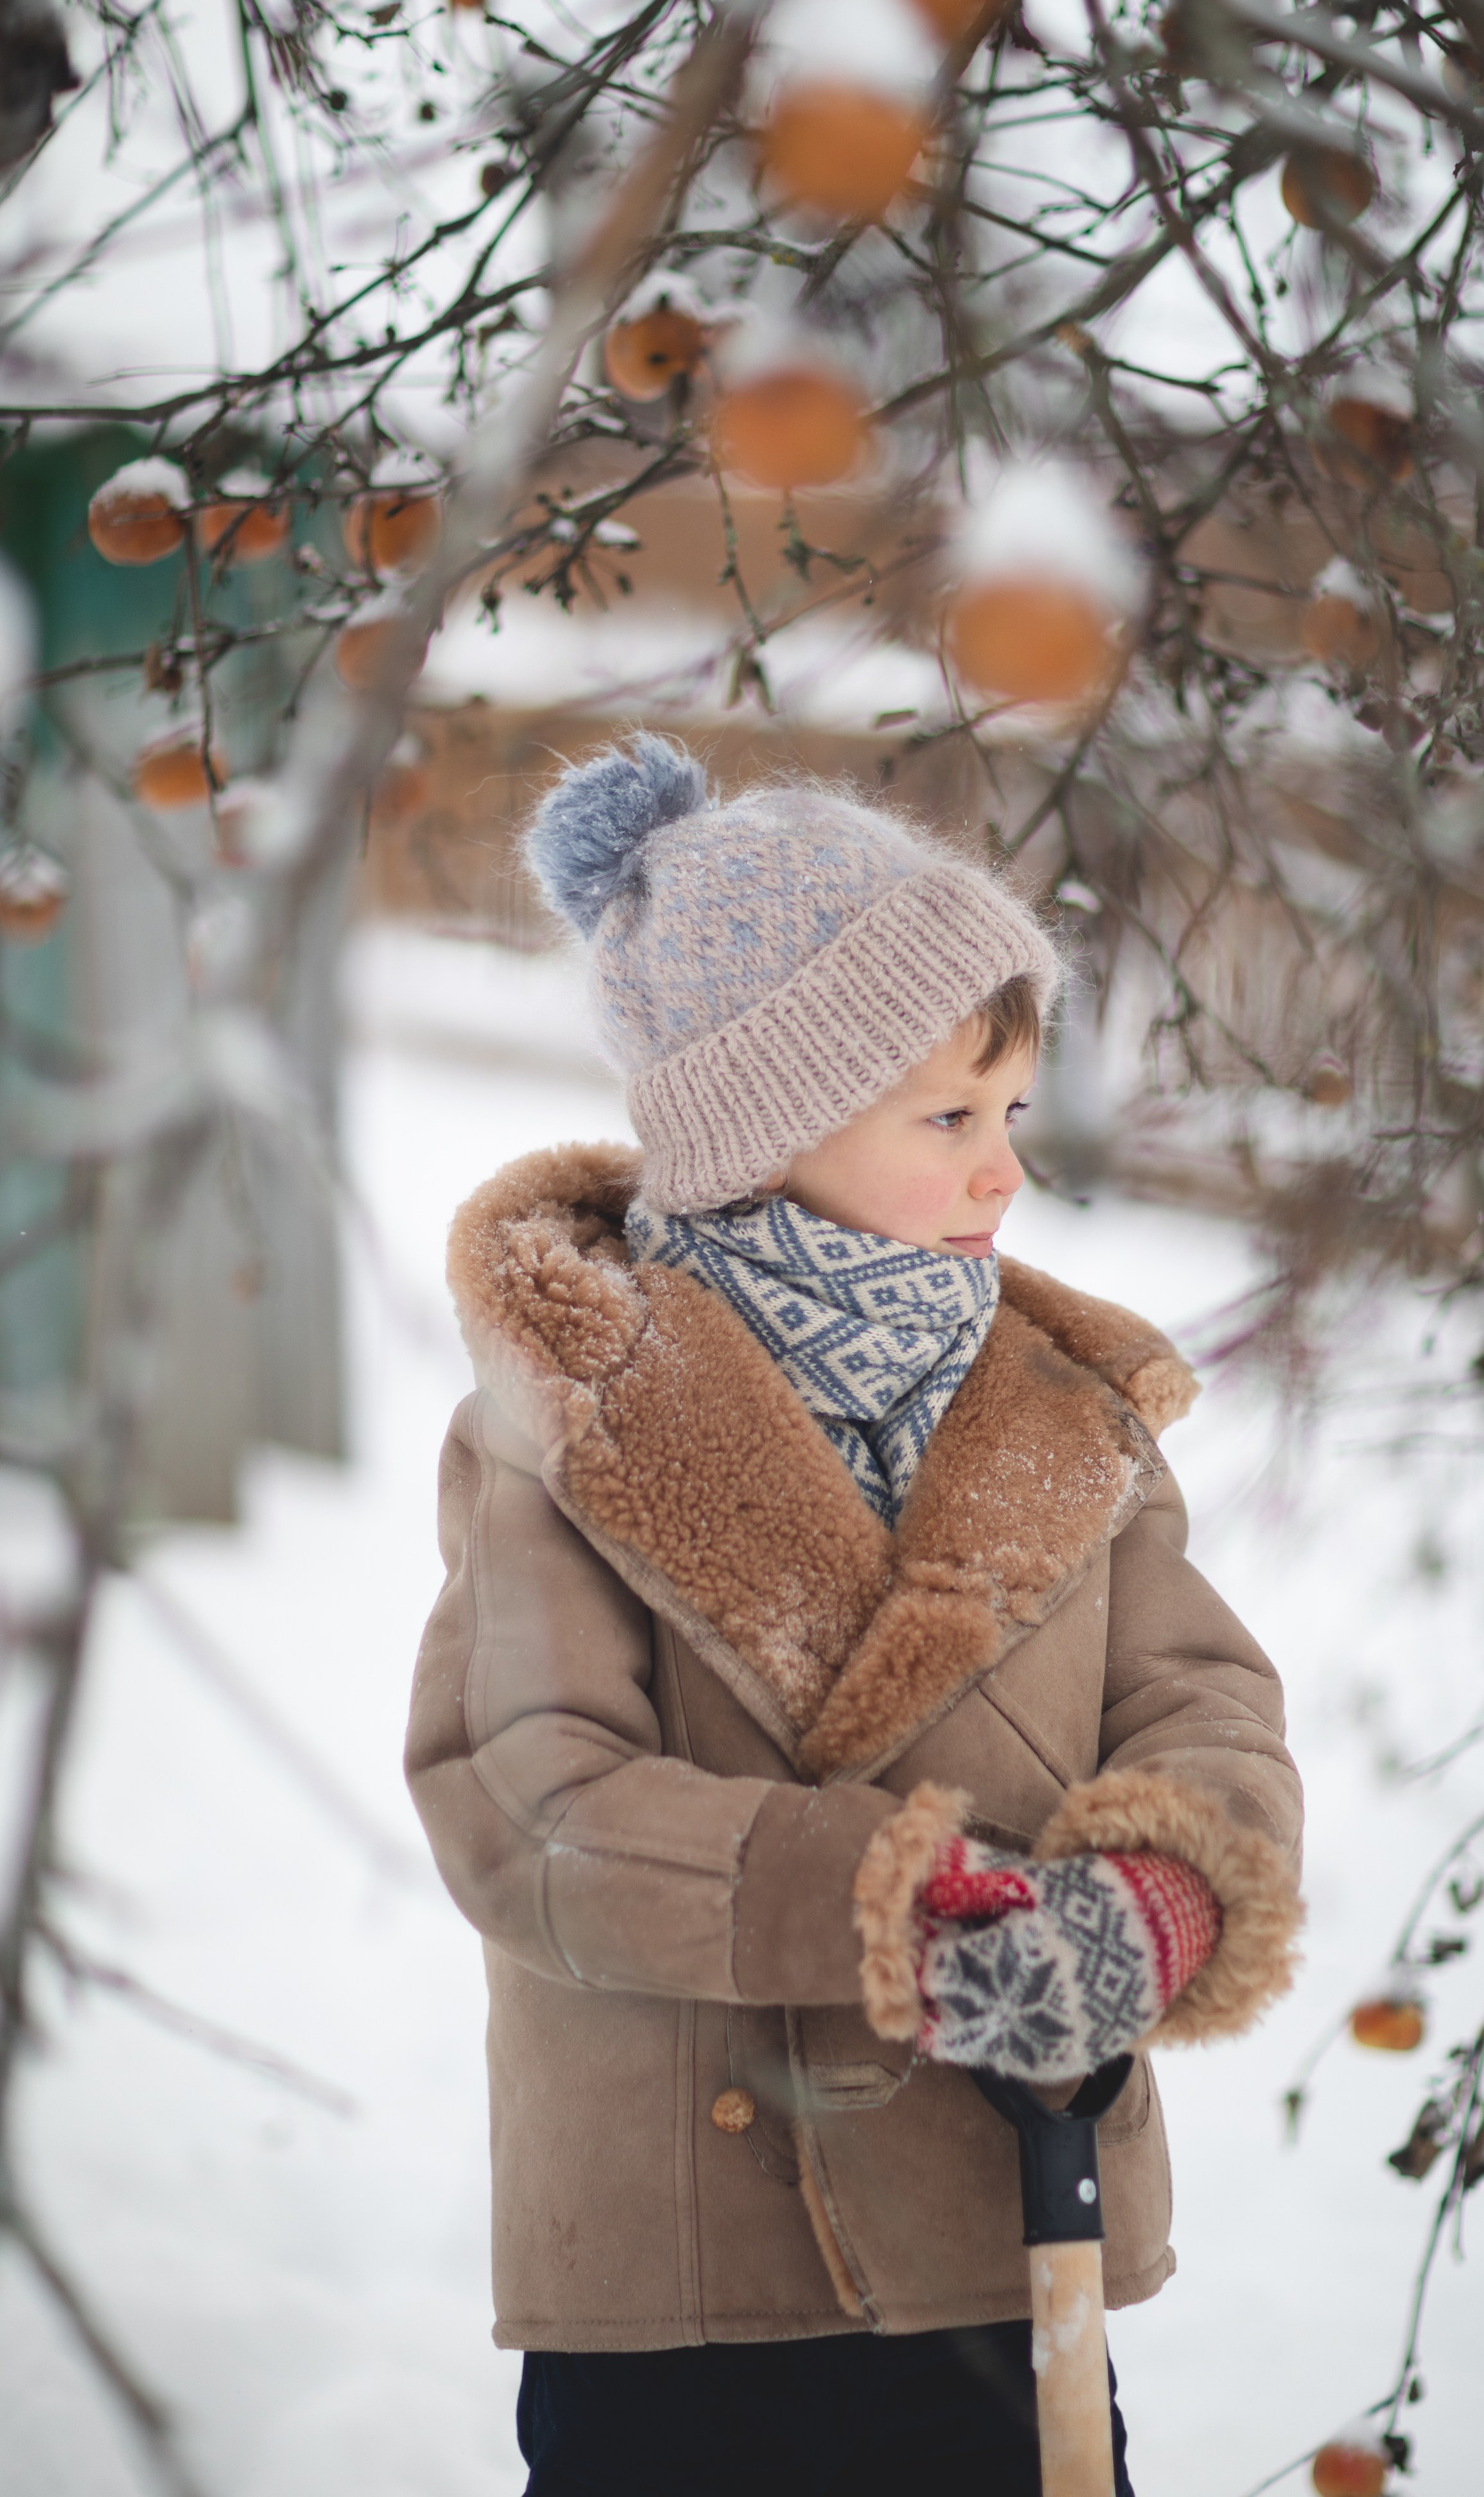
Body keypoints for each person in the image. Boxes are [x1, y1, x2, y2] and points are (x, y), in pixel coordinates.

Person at [405, 737, 1304, 2497]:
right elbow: (522, 1798)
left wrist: (1162, 1892)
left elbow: (1203, 1703)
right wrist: (890, 1902)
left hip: (1004, 2221)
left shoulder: (1062, 1414)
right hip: (688, 2290)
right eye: (946, 1120)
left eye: (1010, 1114)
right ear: (765, 1132)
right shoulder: (568, 1427)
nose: (1000, 1172)